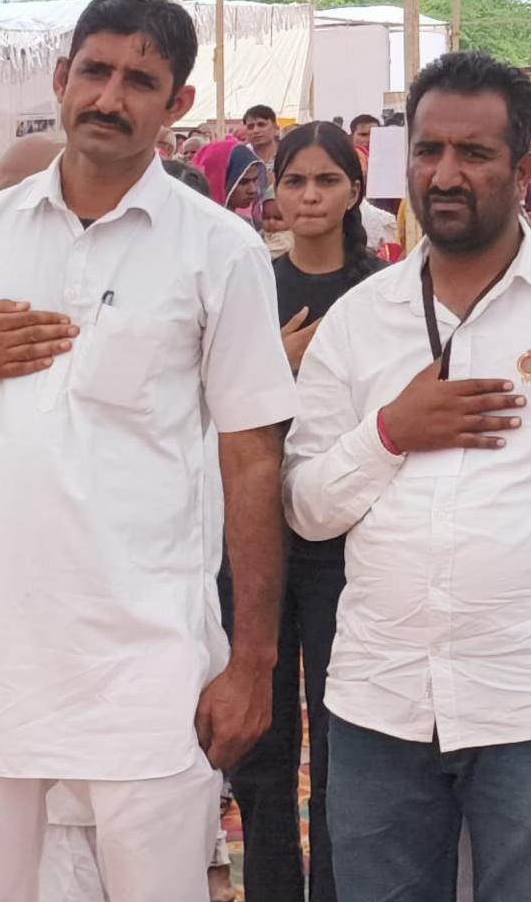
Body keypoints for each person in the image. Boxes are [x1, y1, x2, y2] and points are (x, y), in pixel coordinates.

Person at [0, 0, 295, 901]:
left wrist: (253, 660)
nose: (111, 97)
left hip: (140, 658)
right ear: (63, 79)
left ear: (177, 106)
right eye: (96, 71)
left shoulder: (219, 250)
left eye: (140, 81)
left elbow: (253, 457)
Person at [284, 53, 531, 901]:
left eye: (474, 154)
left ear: (525, 166)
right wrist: (390, 431)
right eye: (427, 151)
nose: (445, 174)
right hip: (378, 699)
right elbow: (305, 509)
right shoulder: (358, 321)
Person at [232, 121, 385, 902]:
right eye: (295, 181)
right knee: (258, 736)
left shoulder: (382, 291)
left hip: (345, 539)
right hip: (253, 534)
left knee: (338, 738)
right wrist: (280, 363)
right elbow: (216, 406)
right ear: (275, 194)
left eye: (327, 181)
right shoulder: (249, 287)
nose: (310, 195)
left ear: (354, 191)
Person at [242, 104, 282, 171]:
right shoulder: (242, 157)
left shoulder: (287, 154)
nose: (256, 131)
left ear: (275, 127)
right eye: (250, 127)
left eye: (261, 124)